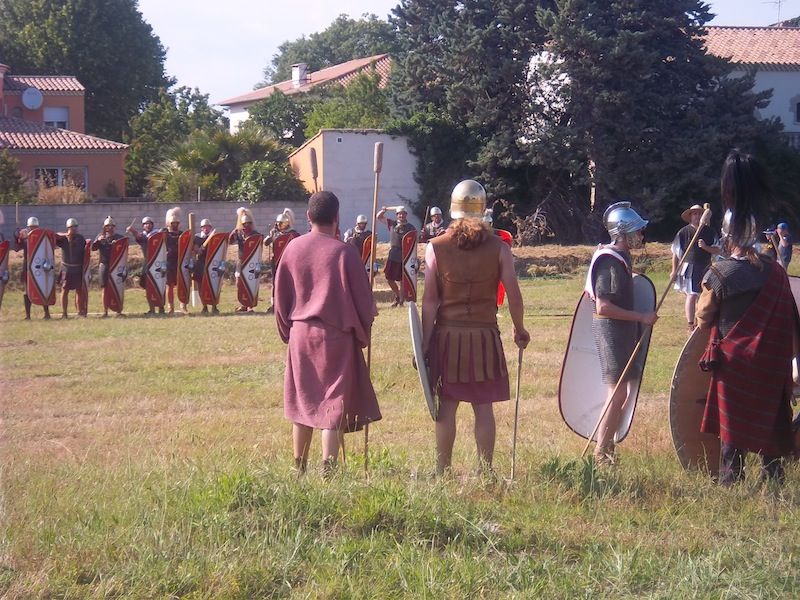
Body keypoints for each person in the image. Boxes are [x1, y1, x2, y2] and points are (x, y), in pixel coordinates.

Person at [696, 149, 798, 486]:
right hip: (770, 361)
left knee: (732, 427)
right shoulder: (776, 273)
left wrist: (705, 289)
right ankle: (772, 479)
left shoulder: (721, 273)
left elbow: (704, 319)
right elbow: (791, 320)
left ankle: (731, 480)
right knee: (769, 417)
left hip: (734, 362)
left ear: (728, 237)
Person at [421, 180, 530, 475]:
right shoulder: (499, 248)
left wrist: (423, 343)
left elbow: (430, 301)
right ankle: (486, 472)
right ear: (483, 210)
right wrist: (519, 329)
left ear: (453, 210)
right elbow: (514, 295)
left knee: (448, 406)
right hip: (484, 337)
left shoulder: (435, 247)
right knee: (483, 407)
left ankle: (442, 470)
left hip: (447, 337)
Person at [274, 191, 381, 475]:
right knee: (332, 407)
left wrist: (288, 332)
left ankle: (299, 467)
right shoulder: (345, 252)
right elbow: (363, 304)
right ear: (337, 218)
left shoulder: (292, 249)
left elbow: (280, 298)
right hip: (336, 338)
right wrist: (365, 327)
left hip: (300, 335)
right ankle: (328, 471)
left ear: (308, 217)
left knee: (303, 403)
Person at [585, 202, 658, 466]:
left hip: (622, 331)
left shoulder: (622, 258)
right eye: (636, 231)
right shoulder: (609, 261)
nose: (640, 236)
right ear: (622, 233)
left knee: (623, 394)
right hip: (611, 331)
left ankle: (608, 449)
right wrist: (641, 317)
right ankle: (601, 453)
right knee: (616, 394)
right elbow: (603, 306)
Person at [671, 204, 720, 333]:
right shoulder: (683, 232)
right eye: (694, 213)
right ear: (690, 216)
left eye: (699, 213)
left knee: (704, 296)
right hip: (690, 267)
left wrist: (705, 247)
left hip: (705, 266)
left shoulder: (710, 232)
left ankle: (701, 323)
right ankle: (690, 324)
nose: (697, 216)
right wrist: (674, 270)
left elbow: (718, 250)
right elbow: (676, 253)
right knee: (691, 295)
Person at [376, 205, 416, 307]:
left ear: (406, 215)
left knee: (402, 279)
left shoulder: (410, 227)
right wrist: (383, 210)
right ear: (397, 215)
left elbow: (414, 241)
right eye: (399, 214)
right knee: (389, 278)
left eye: (403, 214)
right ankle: (397, 295)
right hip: (393, 254)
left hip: (405, 255)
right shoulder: (392, 224)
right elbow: (379, 217)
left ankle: (401, 300)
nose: (401, 215)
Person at [14, 216, 51, 320]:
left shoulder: (42, 237)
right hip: (28, 267)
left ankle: (47, 314)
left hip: (40, 267)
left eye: (35, 227)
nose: (33, 229)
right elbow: (16, 249)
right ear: (28, 227)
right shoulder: (25, 238)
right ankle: (28, 315)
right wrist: (17, 238)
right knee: (27, 290)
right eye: (31, 227)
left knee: (43, 289)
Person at [127, 216, 164, 316]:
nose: (147, 225)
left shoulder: (158, 234)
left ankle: (161, 308)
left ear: (152, 224)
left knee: (161, 284)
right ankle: (151, 308)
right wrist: (132, 231)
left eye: (149, 223)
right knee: (148, 285)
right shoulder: (143, 236)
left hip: (160, 262)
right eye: (145, 224)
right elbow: (140, 237)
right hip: (147, 263)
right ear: (143, 226)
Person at [264, 208, 299, 314]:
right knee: (275, 283)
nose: (279, 225)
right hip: (276, 262)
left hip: (289, 262)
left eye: (281, 223)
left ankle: (291, 304)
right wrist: (271, 236)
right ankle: (274, 304)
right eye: (278, 223)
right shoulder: (275, 233)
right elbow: (265, 242)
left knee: (290, 283)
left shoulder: (293, 234)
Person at [229, 207, 263, 313]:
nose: (247, 225)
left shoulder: (255, 234)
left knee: (251, 282)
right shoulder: (239, 233)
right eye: (245, 224)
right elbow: (230, 241)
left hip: (252, 262)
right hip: (241, 261)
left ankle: (250, 306)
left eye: (249, 223)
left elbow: (259, 247)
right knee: (240, 283)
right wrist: (234, 232)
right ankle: (243, 304)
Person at [92, 216, 125, 318]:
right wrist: (98, 240)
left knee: (117, 287)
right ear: (105, 227)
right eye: (107, 226)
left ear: (114, 227)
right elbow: (93, 248)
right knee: (105, 288)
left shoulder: (119, 237)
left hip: (116, 266)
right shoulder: (100, 236)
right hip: (104, 264)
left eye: (111, 226)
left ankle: (118, 310)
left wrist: (117, 245)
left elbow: (124, 248)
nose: (110, 228)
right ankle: (105, 312)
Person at [55, 218, 87, 318]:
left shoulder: (81, 238)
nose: (74, 229)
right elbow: (54, 235)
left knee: (79, 291)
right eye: (72, 227)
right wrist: (65, 235)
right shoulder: (63, 239)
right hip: (67, 269)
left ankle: (79, 311)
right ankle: (64, 313)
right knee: (65, 290)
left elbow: (87, 250)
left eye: (75, 227)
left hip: (78, 268)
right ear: (68, 228)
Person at [193, 218, 219, 315]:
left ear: (210, 227)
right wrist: (198, 250)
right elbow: (195, 250)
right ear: (201, 228)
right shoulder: (197, 237)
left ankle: (214, 306)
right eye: (204, 227)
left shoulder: (214, 237)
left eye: (207, 227)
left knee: (213, 285)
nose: (206, 228)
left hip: (212, 264)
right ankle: (204, 306)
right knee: (201, 286)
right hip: (201, 264)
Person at [162, 207, 184, 314]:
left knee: (182, 284)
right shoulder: (164, 233)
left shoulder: (182, 234)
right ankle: (170, 307)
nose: (174, 224)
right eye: (173, 223)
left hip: (180, 261)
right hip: (169, 262)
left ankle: (183, 305)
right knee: (169, 285)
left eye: (176, 223)